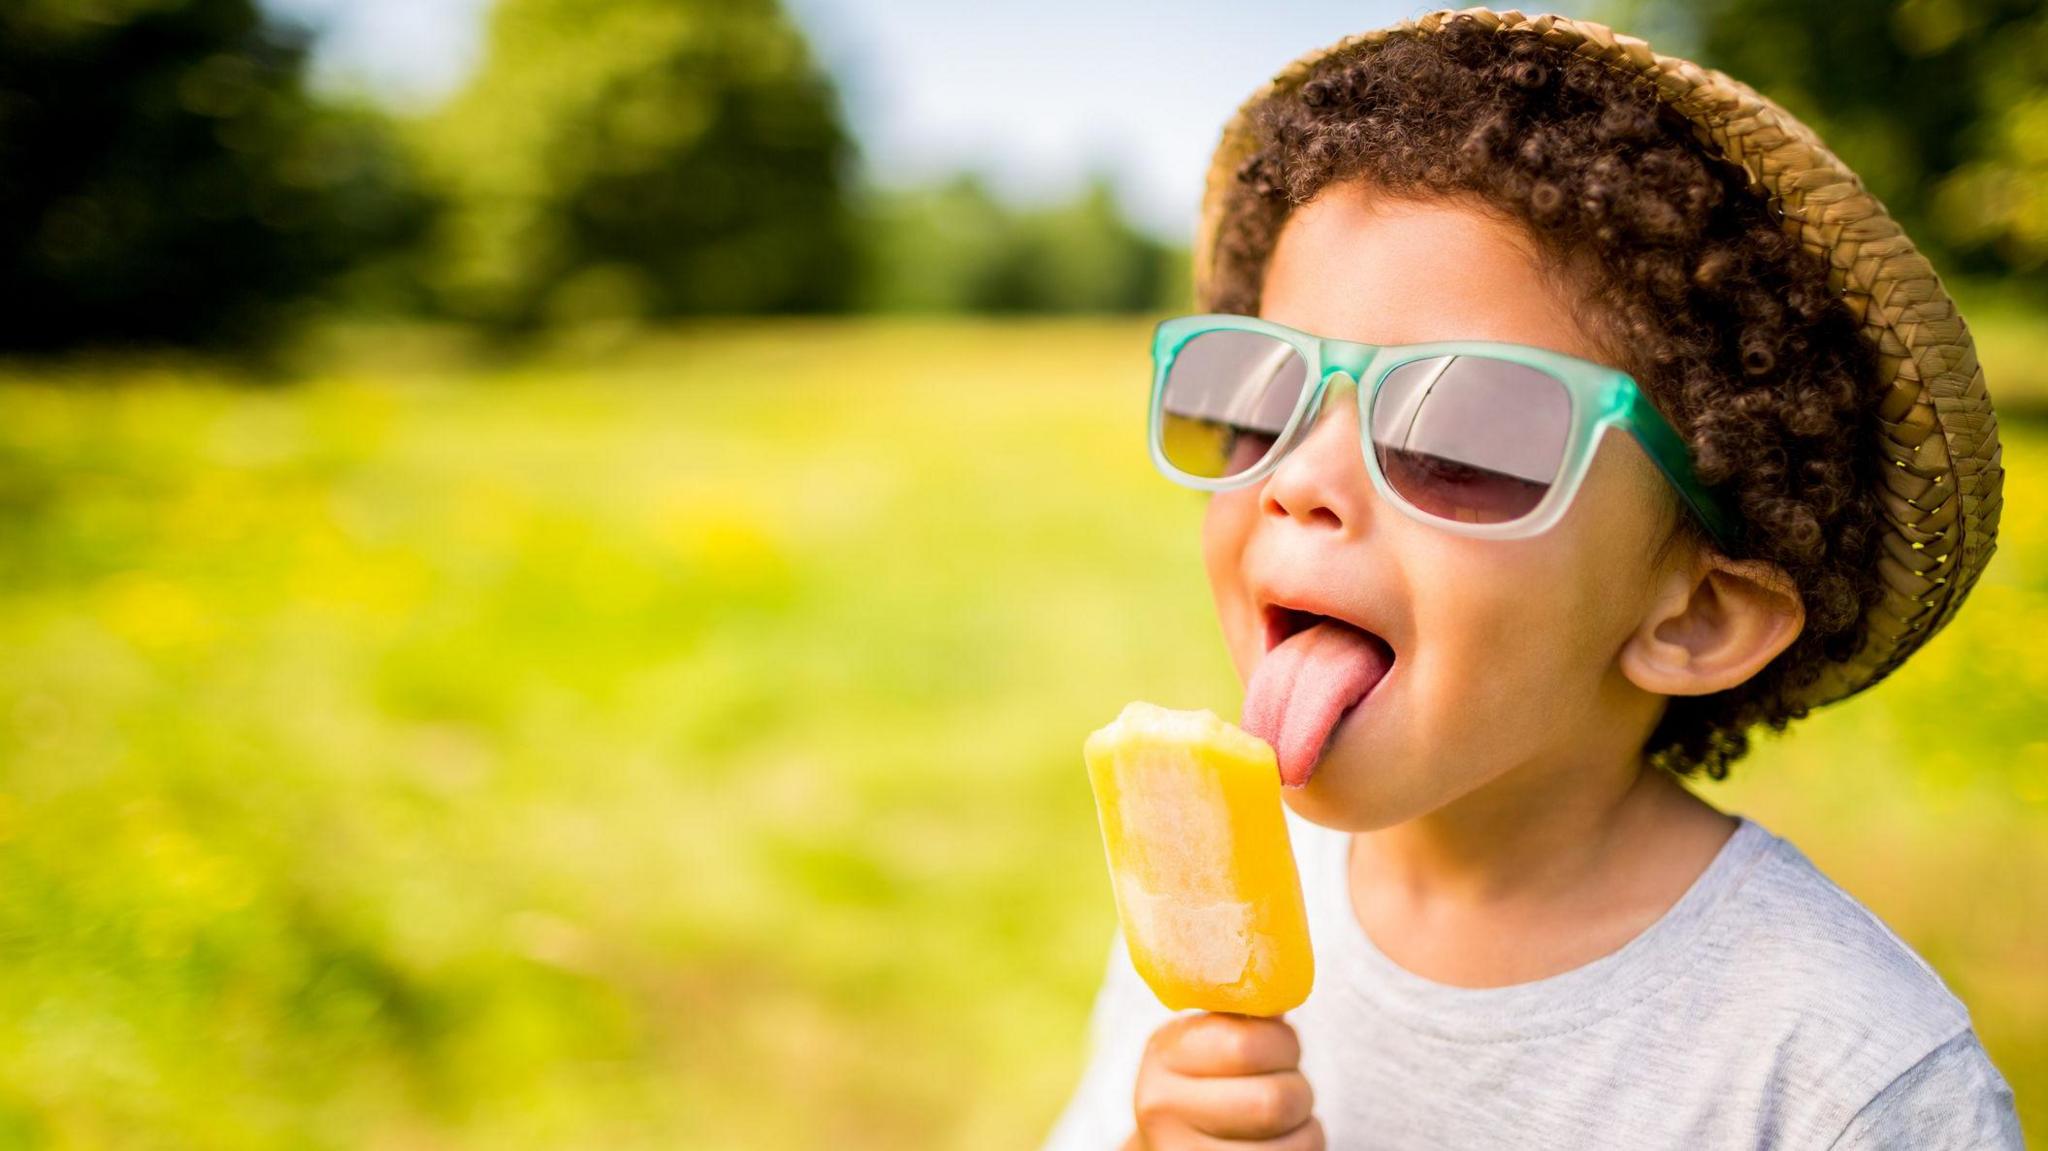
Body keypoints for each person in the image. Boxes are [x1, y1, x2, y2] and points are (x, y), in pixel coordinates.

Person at [1041, 9, 2021, 1149]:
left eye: (1461, 435)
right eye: (1261, 394)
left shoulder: (1838, 1078)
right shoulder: (1214, 893)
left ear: (1695, 612)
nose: (1299, 477)